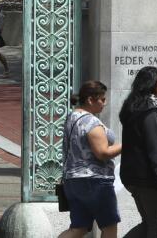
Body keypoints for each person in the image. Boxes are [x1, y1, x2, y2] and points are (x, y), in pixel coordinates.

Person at [119, 67, 157, 238]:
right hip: (148, 181)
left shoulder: (133, 108)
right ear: (152, 85)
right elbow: (156, 153)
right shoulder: (150, 112)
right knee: (156, 225)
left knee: (148, 224)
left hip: (134, 178)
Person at [58, 80, 123, 238]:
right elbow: (102, 152)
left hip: (73, 180)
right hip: (95, 181)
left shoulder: (72, 117)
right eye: (102, 99)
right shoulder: (91, 122)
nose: (104, 103)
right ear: (90, 100)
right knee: (109, 226)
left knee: (78, 228)